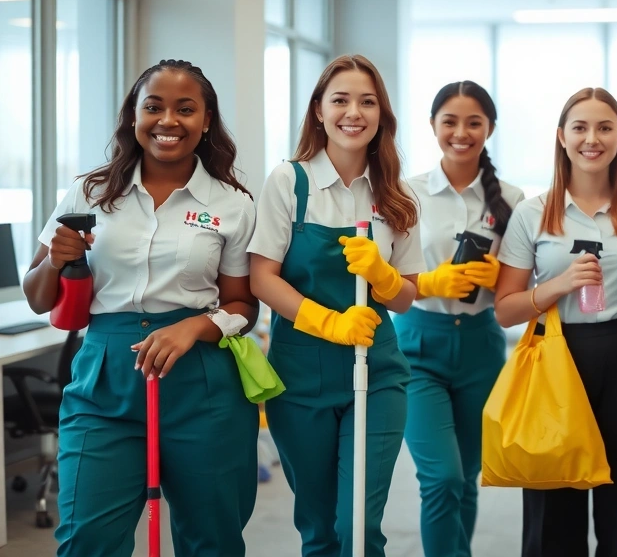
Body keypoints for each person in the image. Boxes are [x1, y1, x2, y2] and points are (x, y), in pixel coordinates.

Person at [22, 59, 261, 556]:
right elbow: (38, 296)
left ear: (207, 120)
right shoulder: (89, 191)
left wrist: (196, 326)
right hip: (105, 380)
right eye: (153, 107)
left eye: (185, 109)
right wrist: (57, 260)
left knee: (211, 541)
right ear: (134, 114)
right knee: (88, 540)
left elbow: (243, 305)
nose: (168, 121)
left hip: (202, 382)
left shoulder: (232, 204)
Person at [248, 54, 424, 557]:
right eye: (340, 99)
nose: (354, 112)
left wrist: (383, 277)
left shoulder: (397, 195)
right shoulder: (289, 182)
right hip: (300, 375)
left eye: (367, 101)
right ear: (319, 111)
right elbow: (262, 278)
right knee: (319, 528)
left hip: (379, 371)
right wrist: (328, 322)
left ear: (382, 115)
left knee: (359, 527)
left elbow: (407, 296)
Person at [494, 87, 617, 557]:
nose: (592, 138)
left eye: (605, 127)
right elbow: (505, 308)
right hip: (555, 354)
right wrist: (557, 286)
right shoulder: (532, 213)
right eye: (580, 128)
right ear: (562, 138)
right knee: (553, 500)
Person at [396, 80, 525, 557]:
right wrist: (429, 282)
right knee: (442, 477)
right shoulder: (405, 194)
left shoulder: (512, 199)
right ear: (432, 126)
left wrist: (499, 278)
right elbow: (383, 275)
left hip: (480, 347)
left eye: (474, 122)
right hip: (416, 347)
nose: (462, 132)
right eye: (450, 121)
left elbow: (521, 289)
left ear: (489, 128)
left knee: (467, 477)